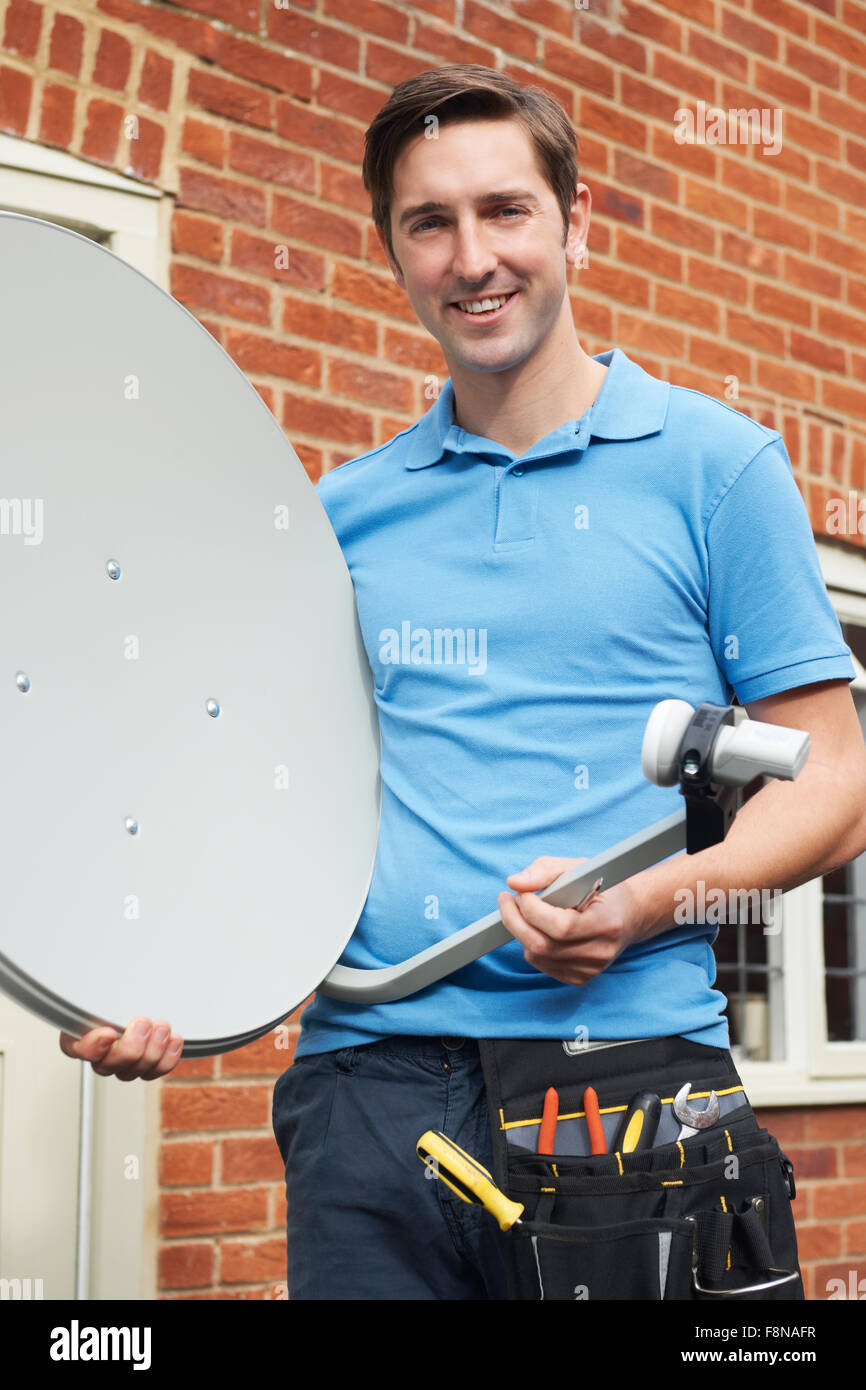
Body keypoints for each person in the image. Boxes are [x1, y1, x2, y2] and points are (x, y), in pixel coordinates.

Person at [62, 64, 866, 1300]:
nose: (471, 256)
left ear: (573, 223)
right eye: (427, 223)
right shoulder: (339, 516)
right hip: (367, 1095)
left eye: (504, 210)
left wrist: (649, 904)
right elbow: (264, 795)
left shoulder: (716, 468)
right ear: (391, 252)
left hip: (626, 1078)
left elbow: (832, 783)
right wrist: (158, 971)